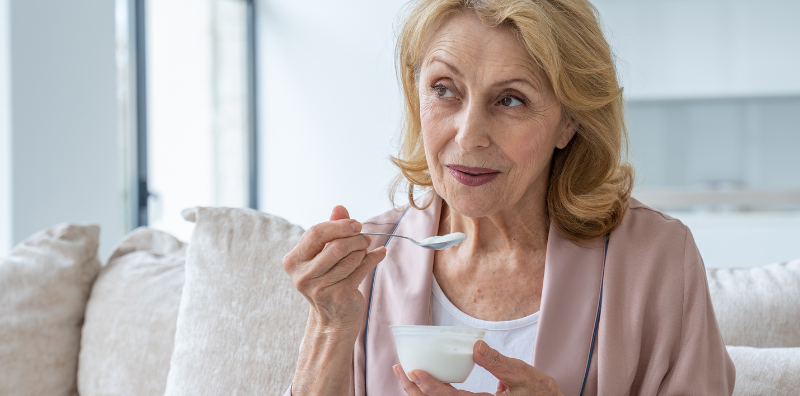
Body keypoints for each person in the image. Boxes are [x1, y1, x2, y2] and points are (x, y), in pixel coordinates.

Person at [281, 0, 735, 395]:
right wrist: (329, 327)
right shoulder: (368, 264)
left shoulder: (655, 260)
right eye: (444, 89)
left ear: (569, 121)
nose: (469, 135)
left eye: (511, 100)